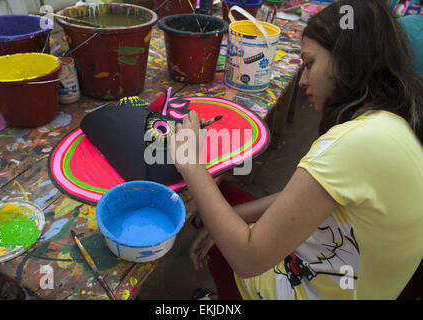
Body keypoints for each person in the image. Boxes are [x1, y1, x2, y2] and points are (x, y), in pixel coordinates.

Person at [171, 0, 423, 300]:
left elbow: (248, 259)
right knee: (221, 207)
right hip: (345, 279)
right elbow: (313, 196)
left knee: (212, 203)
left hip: (303, 284)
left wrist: (191, 164)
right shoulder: (391, 123)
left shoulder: (354, 144)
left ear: (346, 59)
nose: (302, 81)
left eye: (309, 63)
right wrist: (236, 215)